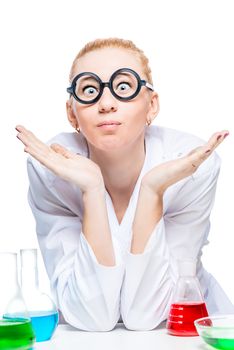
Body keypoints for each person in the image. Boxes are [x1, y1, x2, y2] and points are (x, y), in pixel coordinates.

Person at [16, 37, 234, 332]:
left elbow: (149, 315)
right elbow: (91, 318)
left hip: (188, 334)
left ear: (151, 105)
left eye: (123, 87)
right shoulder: (52, 169)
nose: (106, 104)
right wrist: (92, 190)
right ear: (72, 113)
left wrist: (152, 191)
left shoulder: (191, 165)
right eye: (90, 90)